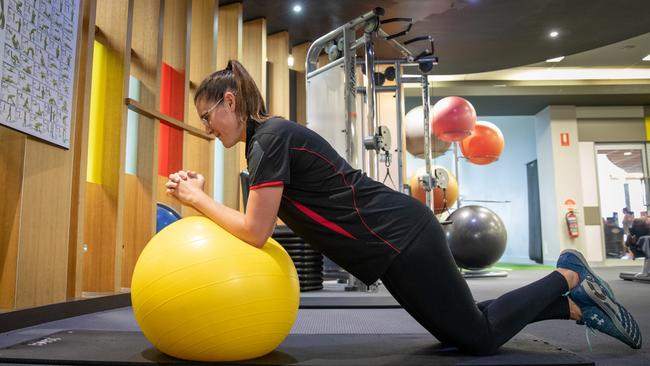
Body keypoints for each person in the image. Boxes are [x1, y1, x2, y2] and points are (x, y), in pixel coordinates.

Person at [165, 60, 642, 355]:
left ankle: (569, 276)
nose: (207, 127)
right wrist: (203, 195)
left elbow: (254, 232)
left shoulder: (269, 139)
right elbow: (256, 220)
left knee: (475, 338)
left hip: (402, 237)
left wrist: (198, 199)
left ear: (229, 101)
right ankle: (577, 310)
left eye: (207, 116)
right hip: (390, 247)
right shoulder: (263, 144)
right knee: (460, 331)